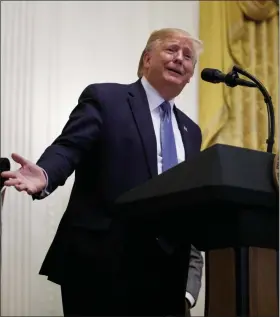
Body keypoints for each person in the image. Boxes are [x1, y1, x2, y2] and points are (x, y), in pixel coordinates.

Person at [1, 28, 203, 316]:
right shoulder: (107, 99)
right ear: (147, 59)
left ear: (191, 75)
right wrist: (45, 174)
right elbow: (69, 147)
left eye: (188, 57)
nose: (180, 59)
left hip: (166, 273)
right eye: (172, 50)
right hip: (103, 262)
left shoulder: (191, 131)